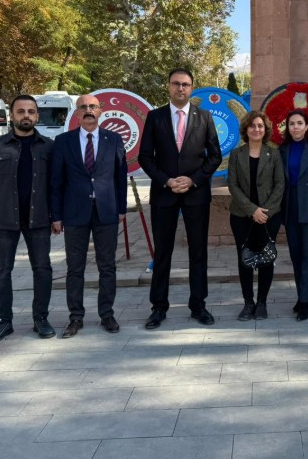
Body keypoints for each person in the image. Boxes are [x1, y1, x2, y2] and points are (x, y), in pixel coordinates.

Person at [138, 68, 222, 330]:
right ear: (169, 86)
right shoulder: (155, 117)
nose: (181, 88)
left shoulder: (205, 117)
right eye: (176, 84)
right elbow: (145, 157)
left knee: (198, 253)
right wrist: (167, 180)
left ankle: (198, 305)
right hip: (164, 194)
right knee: (163, 252)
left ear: (192, 88)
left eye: (186, 84)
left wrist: (193, 179)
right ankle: (158, 308)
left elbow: (214, 156)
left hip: (195, 195)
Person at [0, 94, 55, 344]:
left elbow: (56, 185)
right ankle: (4, 321)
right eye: (21, 111)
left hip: (39, 219)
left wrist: (57, 216)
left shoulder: (48, 147)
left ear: (37, 116)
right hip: (3, 220)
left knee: (42, 270)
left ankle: (40, 318)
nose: (26, 116)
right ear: (12, 115)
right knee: (1, 271)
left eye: (31, 111)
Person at [50, 93, 128, 338]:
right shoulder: (63, 141)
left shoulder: (114, 140)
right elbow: (56, 181)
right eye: (83, 106)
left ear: (100, 110)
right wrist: (56, 215)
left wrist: (122, 209)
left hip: (106, 211)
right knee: (75, 268)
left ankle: (107, 315)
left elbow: (120, 177)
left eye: (92, 106)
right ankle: (75, 317)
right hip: (74, 213)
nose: (88, 110)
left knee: (107, 266)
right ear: (77, 112)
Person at [227, 111, 285, 321]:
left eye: (260, 126)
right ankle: (248, 303)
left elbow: (280, 184)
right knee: (245, 259)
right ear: (246, 130)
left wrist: (264, 212)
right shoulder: (236, 155)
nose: (256, 129)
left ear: (265, 129)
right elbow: (232, 185)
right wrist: (252, 209)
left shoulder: (274, 154)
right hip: (241, 215)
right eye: (252, 126)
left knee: (265, 258)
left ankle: (262, 303)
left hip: (269, 216)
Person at [278, 109, 308, 321]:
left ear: (307, 126)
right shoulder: (283, 149)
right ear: (287, 128)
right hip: (290, 207)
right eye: (291, 124)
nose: (295, 127)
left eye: (299, 123)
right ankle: (301, 295)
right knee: (296, 256)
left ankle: (305, 302)